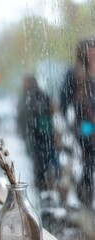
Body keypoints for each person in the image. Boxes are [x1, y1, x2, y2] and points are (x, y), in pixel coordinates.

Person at [59, 37, 95, 209]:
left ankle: (85, 193)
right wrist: (70, 123)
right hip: (84, 125)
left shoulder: (91, 71)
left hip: (88, 123)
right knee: (88, 158)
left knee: (89, 160)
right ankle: (85, 194)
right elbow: (63, 102)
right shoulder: (74, 72)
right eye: (91, 49)